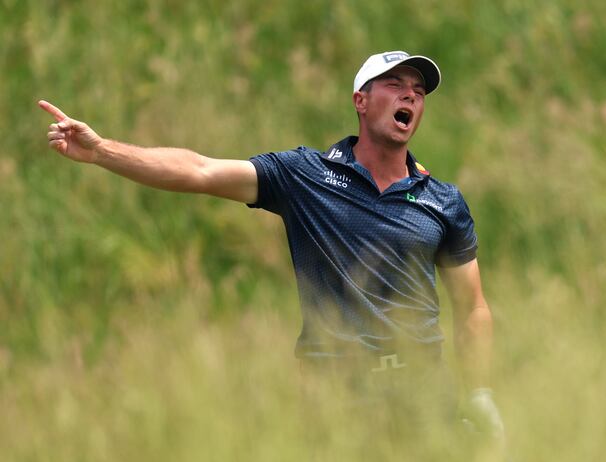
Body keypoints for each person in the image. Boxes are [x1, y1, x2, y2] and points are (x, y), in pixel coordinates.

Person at [39, 50, 504, 441]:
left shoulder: (442, 200)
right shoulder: (305, 176)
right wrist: (102, 151)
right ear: (361, 101)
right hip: (335, 398)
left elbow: (472, 308)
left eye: (418, 92)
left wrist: (479, 392)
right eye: (396, 84)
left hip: (423, 392)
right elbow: (199, 170)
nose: (410, 95)